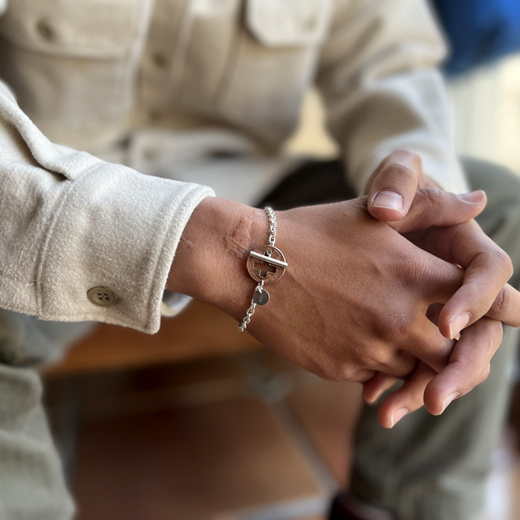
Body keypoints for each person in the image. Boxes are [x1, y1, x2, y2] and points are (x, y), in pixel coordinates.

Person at [0, 1, 518, 519]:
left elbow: (389, 62)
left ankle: (399, 511)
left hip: (252, 186)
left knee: (489, 212)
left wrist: (420, 201)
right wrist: (227, 247)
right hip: (49, 193)